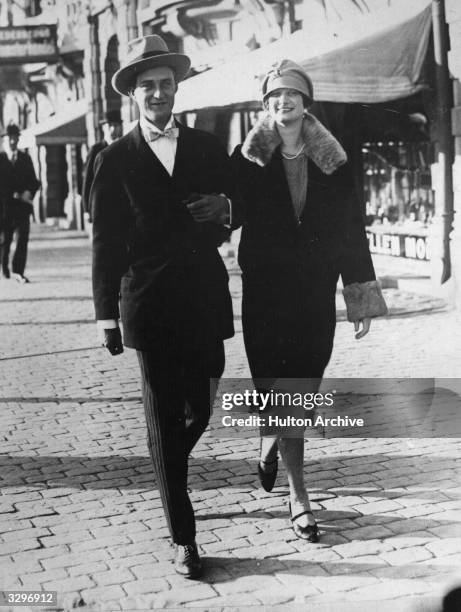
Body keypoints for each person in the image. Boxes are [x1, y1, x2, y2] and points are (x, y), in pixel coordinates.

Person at [91, 35, 240, 579]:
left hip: (202, 294)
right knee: (161, 414)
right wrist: (107, 313)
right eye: (147, 85)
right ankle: (185, 538)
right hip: (149, 304)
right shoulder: (114, 160)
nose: (158, 93)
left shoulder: (205, 147)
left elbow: (240, 202)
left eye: (165, 84)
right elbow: (105, 242)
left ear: (177, 88)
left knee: (200, 406)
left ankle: (166, 458)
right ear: (133, 94)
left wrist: (226, 207)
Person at [231, 60, 387, 541]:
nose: (284, 102)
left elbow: (350, 229)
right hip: (265, 295)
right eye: (275, 95)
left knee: (298, 394)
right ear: (265, 104)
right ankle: (297, 493)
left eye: (292, 94)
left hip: (315, 296)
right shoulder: (247, 158)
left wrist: (359, 294)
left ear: (306, 102)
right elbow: (225, 214)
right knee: (281, 391)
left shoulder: (334, 159)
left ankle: (278, 456)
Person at [0, 124, 40, 283]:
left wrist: (29, 193)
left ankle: (18, 271)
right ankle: (4, 268)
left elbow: (34, 181)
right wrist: (11, 194)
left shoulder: (25, 158)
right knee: (5, 240)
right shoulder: (0, 160)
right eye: (9, 137)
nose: (12, 140)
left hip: (23, 208)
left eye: (15, 137)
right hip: (4, 209)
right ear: (4, 140)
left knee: (22, 240)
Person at [82, 109, 123, 222]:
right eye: (109, 125)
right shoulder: (96, 150)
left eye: (116, 125)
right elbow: (88, 180)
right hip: (101, 206)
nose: (113, 129)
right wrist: (86, 210)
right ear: (103, 127)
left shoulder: (125, 147)